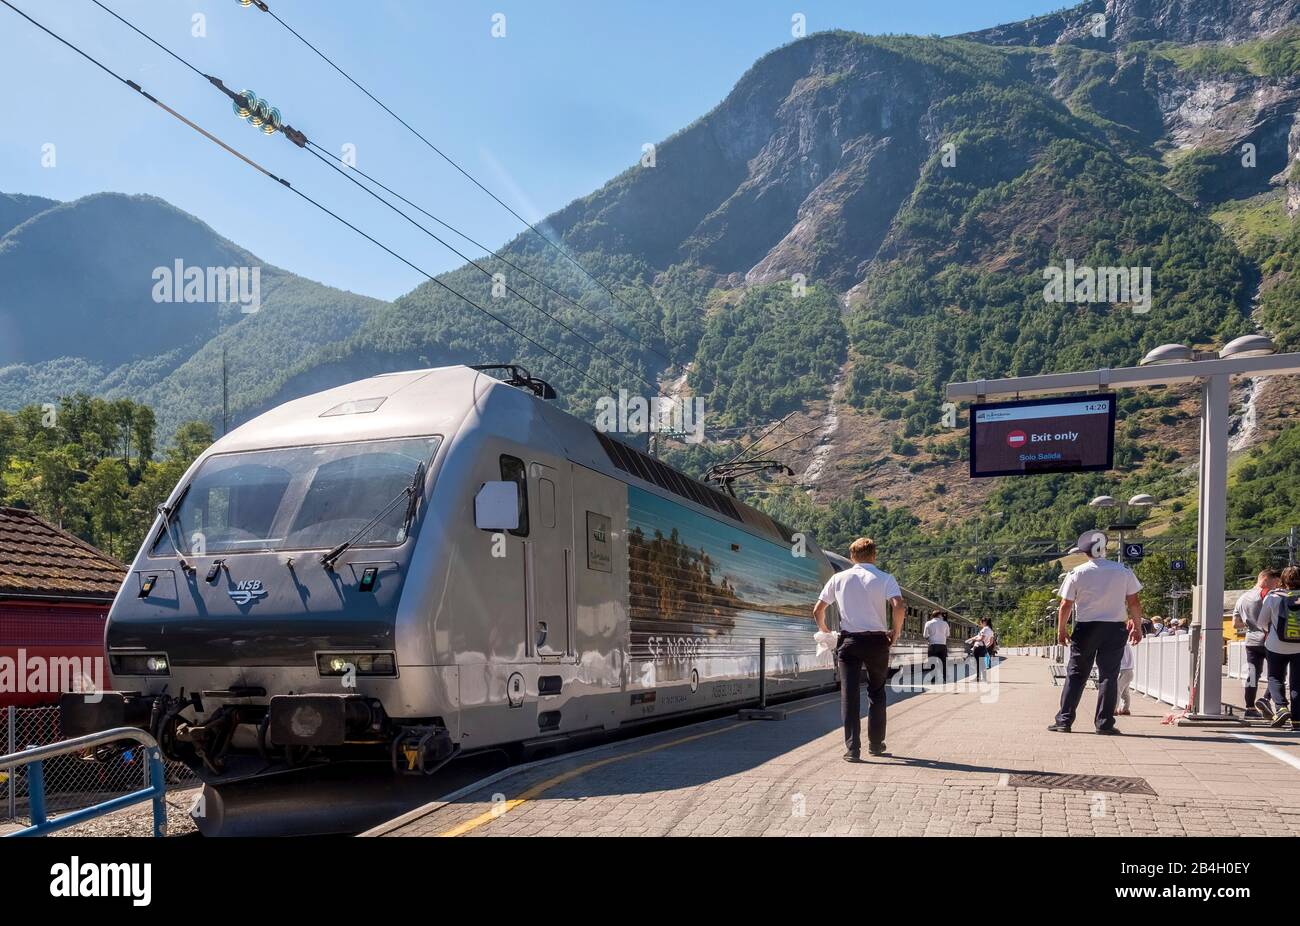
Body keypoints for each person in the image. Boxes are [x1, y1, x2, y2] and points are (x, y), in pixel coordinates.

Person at [814, 537, 905, 761]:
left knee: (850, 696)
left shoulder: (838, 578)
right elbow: (899, 605)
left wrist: (826, 632)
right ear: (874, 555)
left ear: (852, 556)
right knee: (877, 692)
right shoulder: (885, 578)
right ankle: (876, 744)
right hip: (877, 642)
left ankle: (853, 749)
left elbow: (818, 611)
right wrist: (896, 630)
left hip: (849, 642)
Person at [1048, 530, 1144, 734]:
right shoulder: (1123, 571)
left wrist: (1062, 630)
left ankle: (1064, 721)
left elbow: (1065, 604)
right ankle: (1104, 723)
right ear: (1105, 548)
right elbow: (1134, 602)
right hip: (1115, 628)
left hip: (1087, 628)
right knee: (1109, 675)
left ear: (1085, 552)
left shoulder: (1077, 573)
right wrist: (1136, 627)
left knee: (1076, 675)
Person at [1254, 565, 1300, 729]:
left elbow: (1261, 622)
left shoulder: (1273, 596)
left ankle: (1281, 708)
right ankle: (1297, 720)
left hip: (1276, 645)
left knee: (1275, 677)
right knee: (1297, 683)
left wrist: (1273, 631)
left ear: (1283, 579)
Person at [1234, 569, 1282, 719]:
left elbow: (1236, 624)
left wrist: (1251, 624)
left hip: (1251, 640)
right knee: (1277, 674)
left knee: (1253, 674)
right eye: (1276, 581)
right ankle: (1265, 699)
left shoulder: (1242, 598)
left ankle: (1249, 708)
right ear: (1266, 579)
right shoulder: (1268, 595)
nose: (1277, 585)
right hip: (1269, 639)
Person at [923, 609, 950, 683]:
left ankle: (933, 679)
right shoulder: (945, 623)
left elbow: (925, 635)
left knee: (932, 662)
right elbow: (947, 635)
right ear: (939, 615)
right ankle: (945, 678)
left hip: (932, 645)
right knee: (944, 663)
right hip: (942, 646)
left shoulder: (928, 623)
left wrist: (930, 638)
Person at [1116, 640, 1136, 715]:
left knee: (1117, 689)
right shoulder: (1126, 644)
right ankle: (1125, 708)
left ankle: (1114, 709)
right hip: (1129, 670)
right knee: (1125, 692)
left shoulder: (1121, 644)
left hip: (1124, 670)